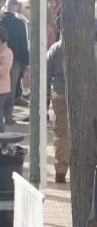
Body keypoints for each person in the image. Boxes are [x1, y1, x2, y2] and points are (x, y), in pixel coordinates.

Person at [0, 0, 29, 124]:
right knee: (11, 86)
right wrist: (25, 62)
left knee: (0, 86)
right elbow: (23, 43)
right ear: (15, 7)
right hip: (15, 59)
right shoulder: (19, 23)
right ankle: (8, 115)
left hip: (0, 57)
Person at [47, 36, 68, 183]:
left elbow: (47, 72)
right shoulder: (89, 45)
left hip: (59, 93)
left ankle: (60, 170)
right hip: (85, 94)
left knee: (61, 133)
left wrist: (47, 93)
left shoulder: (55, 47)